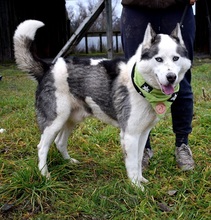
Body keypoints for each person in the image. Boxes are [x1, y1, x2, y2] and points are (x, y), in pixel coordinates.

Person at [120, 0, 196, 170]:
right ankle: (142, 148)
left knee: (181, 81)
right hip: (136, 7)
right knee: (135, 81)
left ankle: (182, 145)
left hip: (178, 6)